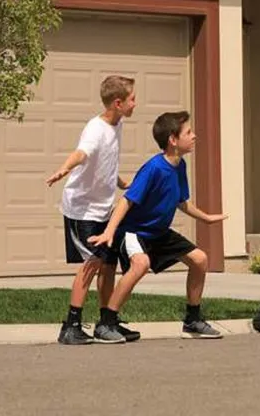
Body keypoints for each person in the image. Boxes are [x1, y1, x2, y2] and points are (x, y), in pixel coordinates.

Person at [88, 110, 228, 341]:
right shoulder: (153, 168)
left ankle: (192, 320)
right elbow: (127, 200)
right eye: (188, 132)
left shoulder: (179, 165)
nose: (194, 136)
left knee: (200, 259)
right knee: (141, 263)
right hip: (133, 231)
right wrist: (110, 231)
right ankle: (106, 324)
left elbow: (181, 202)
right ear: (173, 140)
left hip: (158, 232)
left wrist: (206, 218)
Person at [46, 75, 138, 345]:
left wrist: (121, 182)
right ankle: (71, 326)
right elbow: (82, 153)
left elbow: (105, 161)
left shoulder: (117, 124)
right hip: (81, 209)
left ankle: (106, 323)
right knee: (92, 263)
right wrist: (65, 168)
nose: (136, 104)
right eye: (132, 99)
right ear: (118, 103)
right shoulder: (95, 129)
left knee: (108, 265)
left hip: (103, 208)